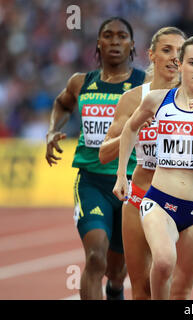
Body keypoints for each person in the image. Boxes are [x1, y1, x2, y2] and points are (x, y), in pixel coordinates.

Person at [113, 35, 193, 300]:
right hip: (158, 201)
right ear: (180, 64)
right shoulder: (157, 100)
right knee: (164, 261)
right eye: (192, 62)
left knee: (181, 292)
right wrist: (121, 174)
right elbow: (129, 130)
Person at [45, 17, 148, 300]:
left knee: (117, 271)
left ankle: (115, 290)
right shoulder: (81, 82)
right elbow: (62, 103)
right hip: (91, 181)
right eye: (108, 35)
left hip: (131, 183)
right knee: (94, 258)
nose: (115, 41)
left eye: (122, 36)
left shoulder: (145, 84)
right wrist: (53, 130)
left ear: (132, 45)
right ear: (98, 44)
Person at [98, 26, 186, 300]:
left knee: (173, 288)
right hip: (139, 195)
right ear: (151, 55)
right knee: (141, 289)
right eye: (166, 50)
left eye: (180, 52)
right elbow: (104, 154)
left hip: (182, 200)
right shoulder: (133, 99)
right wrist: (131, 129)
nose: (174, 58)